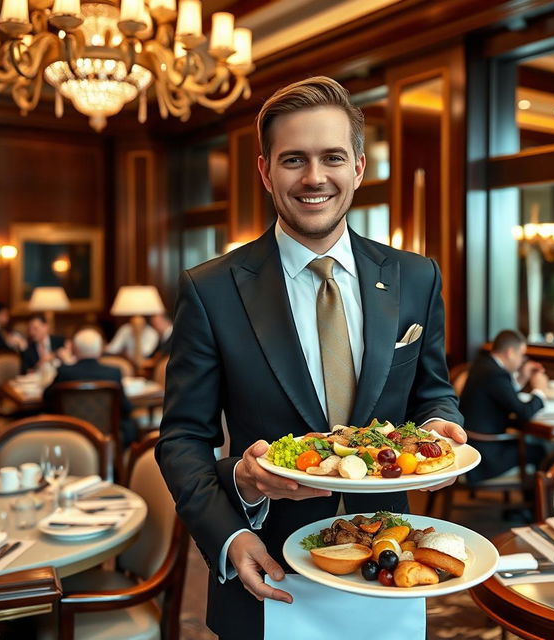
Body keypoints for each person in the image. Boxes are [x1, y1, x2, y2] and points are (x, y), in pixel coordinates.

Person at [156, 76, 465, 640]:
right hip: (266, 566)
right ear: (265, 171)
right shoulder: (212, 288)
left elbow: (432, 391)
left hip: (391, 564)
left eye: (332, 157)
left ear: (359, 168)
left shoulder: (416, 276)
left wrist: (442, 423)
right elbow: (181, 437)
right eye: (294, 159)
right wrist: (231, 533)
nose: (315, 177)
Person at [459, 329, 548, 483]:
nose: (522, 361)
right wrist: (539, 390)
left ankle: (524, 507)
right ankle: (531, 506)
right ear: (510, 352)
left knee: (531, 446)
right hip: (486, 453)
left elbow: (503, 396)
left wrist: (521, 378)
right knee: (538, 451)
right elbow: (524, 412)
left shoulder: (484, 364)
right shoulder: (496, 374)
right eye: (521, 355)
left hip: (473, 444)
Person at [43, 328, 137, 447]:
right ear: (100, 350)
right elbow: (126, 407)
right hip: (107, 434)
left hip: (70, 433)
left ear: (74, 349)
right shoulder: (113, 373)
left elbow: (46, 398)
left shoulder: (65, 372)